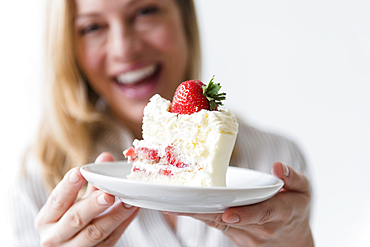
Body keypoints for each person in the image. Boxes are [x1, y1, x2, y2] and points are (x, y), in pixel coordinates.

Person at [5, 0, 314, 246]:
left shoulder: (275, 160)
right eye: (92, 27)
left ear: (184, 19)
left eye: (144, 11)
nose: (124, 48)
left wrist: (299, 244)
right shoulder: (35, 180)